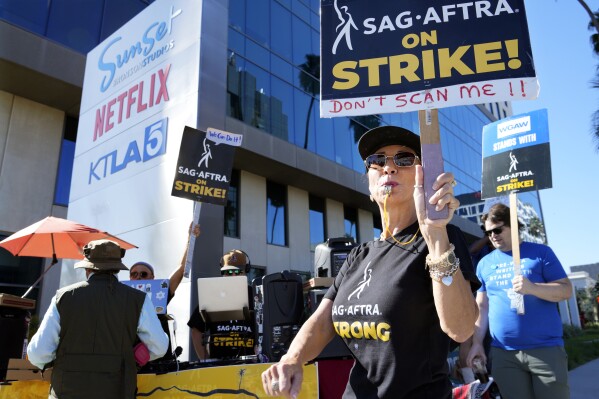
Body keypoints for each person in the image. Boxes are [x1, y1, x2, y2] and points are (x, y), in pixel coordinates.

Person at [261, 126, 479, 399]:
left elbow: (461, 329)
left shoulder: (440, 239)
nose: (389, 168)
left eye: (404, 159)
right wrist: (292, 359)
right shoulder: (357, 256)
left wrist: (436, 237)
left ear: (423, 177)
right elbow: (322, 322)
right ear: (369, 184)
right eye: (377, 160)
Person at [27, 239, 168, 399]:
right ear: (116, 269)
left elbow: (38, 353)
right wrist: (133, 358)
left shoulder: (63, 297)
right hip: (117, 391)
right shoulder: (139, 300)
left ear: (87, 268)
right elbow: (159, 347)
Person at [466, 203, 572, 399]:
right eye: (487, 231)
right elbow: (482, 307)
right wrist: (477, 343)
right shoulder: (484, 264)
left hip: (545, 350)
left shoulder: (541, 253)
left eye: (497, 229)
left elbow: (566, 290)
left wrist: (532, 288)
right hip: (504, 354)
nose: (492, 235)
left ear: (513, 226)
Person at [129, 223, 200, 362]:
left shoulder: (158, 293)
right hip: (132, 363)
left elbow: (181, 269)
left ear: (152, 278)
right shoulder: (121, 296)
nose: (138, 277)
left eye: (143, 274)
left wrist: (190, 238)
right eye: (134, 274)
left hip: (161, 363)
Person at [187, 249, 255, 361]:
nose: (233, 275)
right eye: (228, 272)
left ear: (246, 271)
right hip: (218, 366)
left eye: (238, 272)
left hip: (250, 363)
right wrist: (205, 360)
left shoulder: (256, 296)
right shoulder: (213, 295)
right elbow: (196, 329)